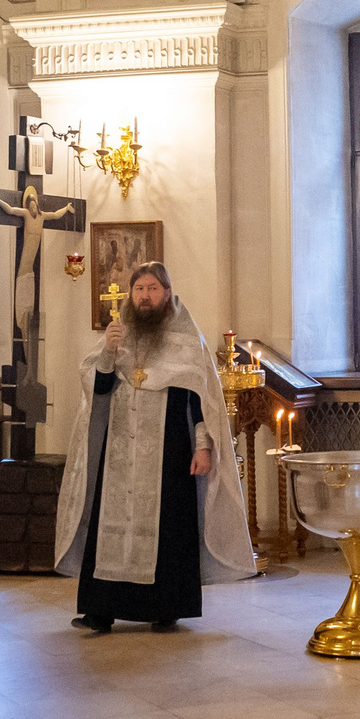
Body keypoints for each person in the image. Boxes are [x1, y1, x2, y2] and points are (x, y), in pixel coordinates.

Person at [51, 262, 254, 633]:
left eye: (153, 289)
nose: (145, 296)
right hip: (119, 453)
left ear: (167, 293)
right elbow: (96, 391)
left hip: (169, 452)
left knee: (169, 527)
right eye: (140, 288)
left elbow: (200, 401)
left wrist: (203, 447)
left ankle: (167, 607)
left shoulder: (186, 337)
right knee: (109, 524)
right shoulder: (117, 332)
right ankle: (100, 610)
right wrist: (109, 354)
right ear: (131, 293)